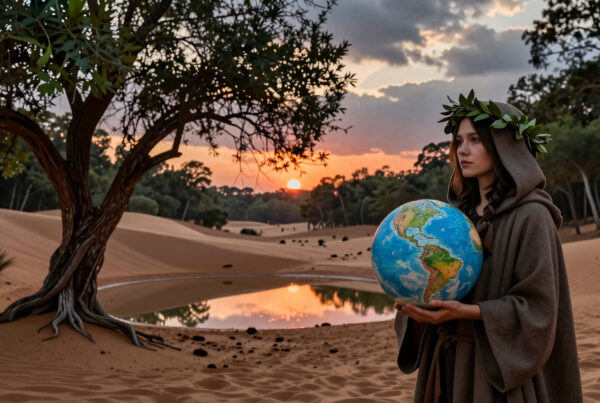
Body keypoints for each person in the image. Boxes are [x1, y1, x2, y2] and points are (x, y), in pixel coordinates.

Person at [393, 99, 583, 402]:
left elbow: (540, 308)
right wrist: (417, 306)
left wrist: (468, 312)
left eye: (475, 139)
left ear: (504, 145)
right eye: (458, 141)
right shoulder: (452, 219)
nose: (462, 151)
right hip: (445, 362)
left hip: (497, 371)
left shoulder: (532, 216)